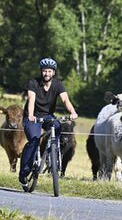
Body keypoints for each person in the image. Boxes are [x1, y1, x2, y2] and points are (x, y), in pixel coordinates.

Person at [19, 57, 78, 186]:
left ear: (54, 72)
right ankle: (24, 172)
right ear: (41, 71)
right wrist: (30, 115)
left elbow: (65, 100)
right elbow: (31, 99)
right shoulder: (33, 83)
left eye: (50, 71)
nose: (47, 74)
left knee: (57, 126)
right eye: (45, 71)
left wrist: (72, 112)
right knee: (34, 140)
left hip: (48, 116)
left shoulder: (58, 84)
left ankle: (53, 152)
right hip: (33, 116)